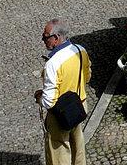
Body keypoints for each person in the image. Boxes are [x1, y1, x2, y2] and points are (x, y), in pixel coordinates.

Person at [35, 19, 91, 165]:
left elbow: (49, 101)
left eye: (46, 37)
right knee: (78, 146)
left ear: (56, 38)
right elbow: (87, 75)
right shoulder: (80, 50)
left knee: (59, 154)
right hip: (79, 105)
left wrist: (39, 97)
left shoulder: (53, 64)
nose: (43, 40)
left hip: (60, 114)